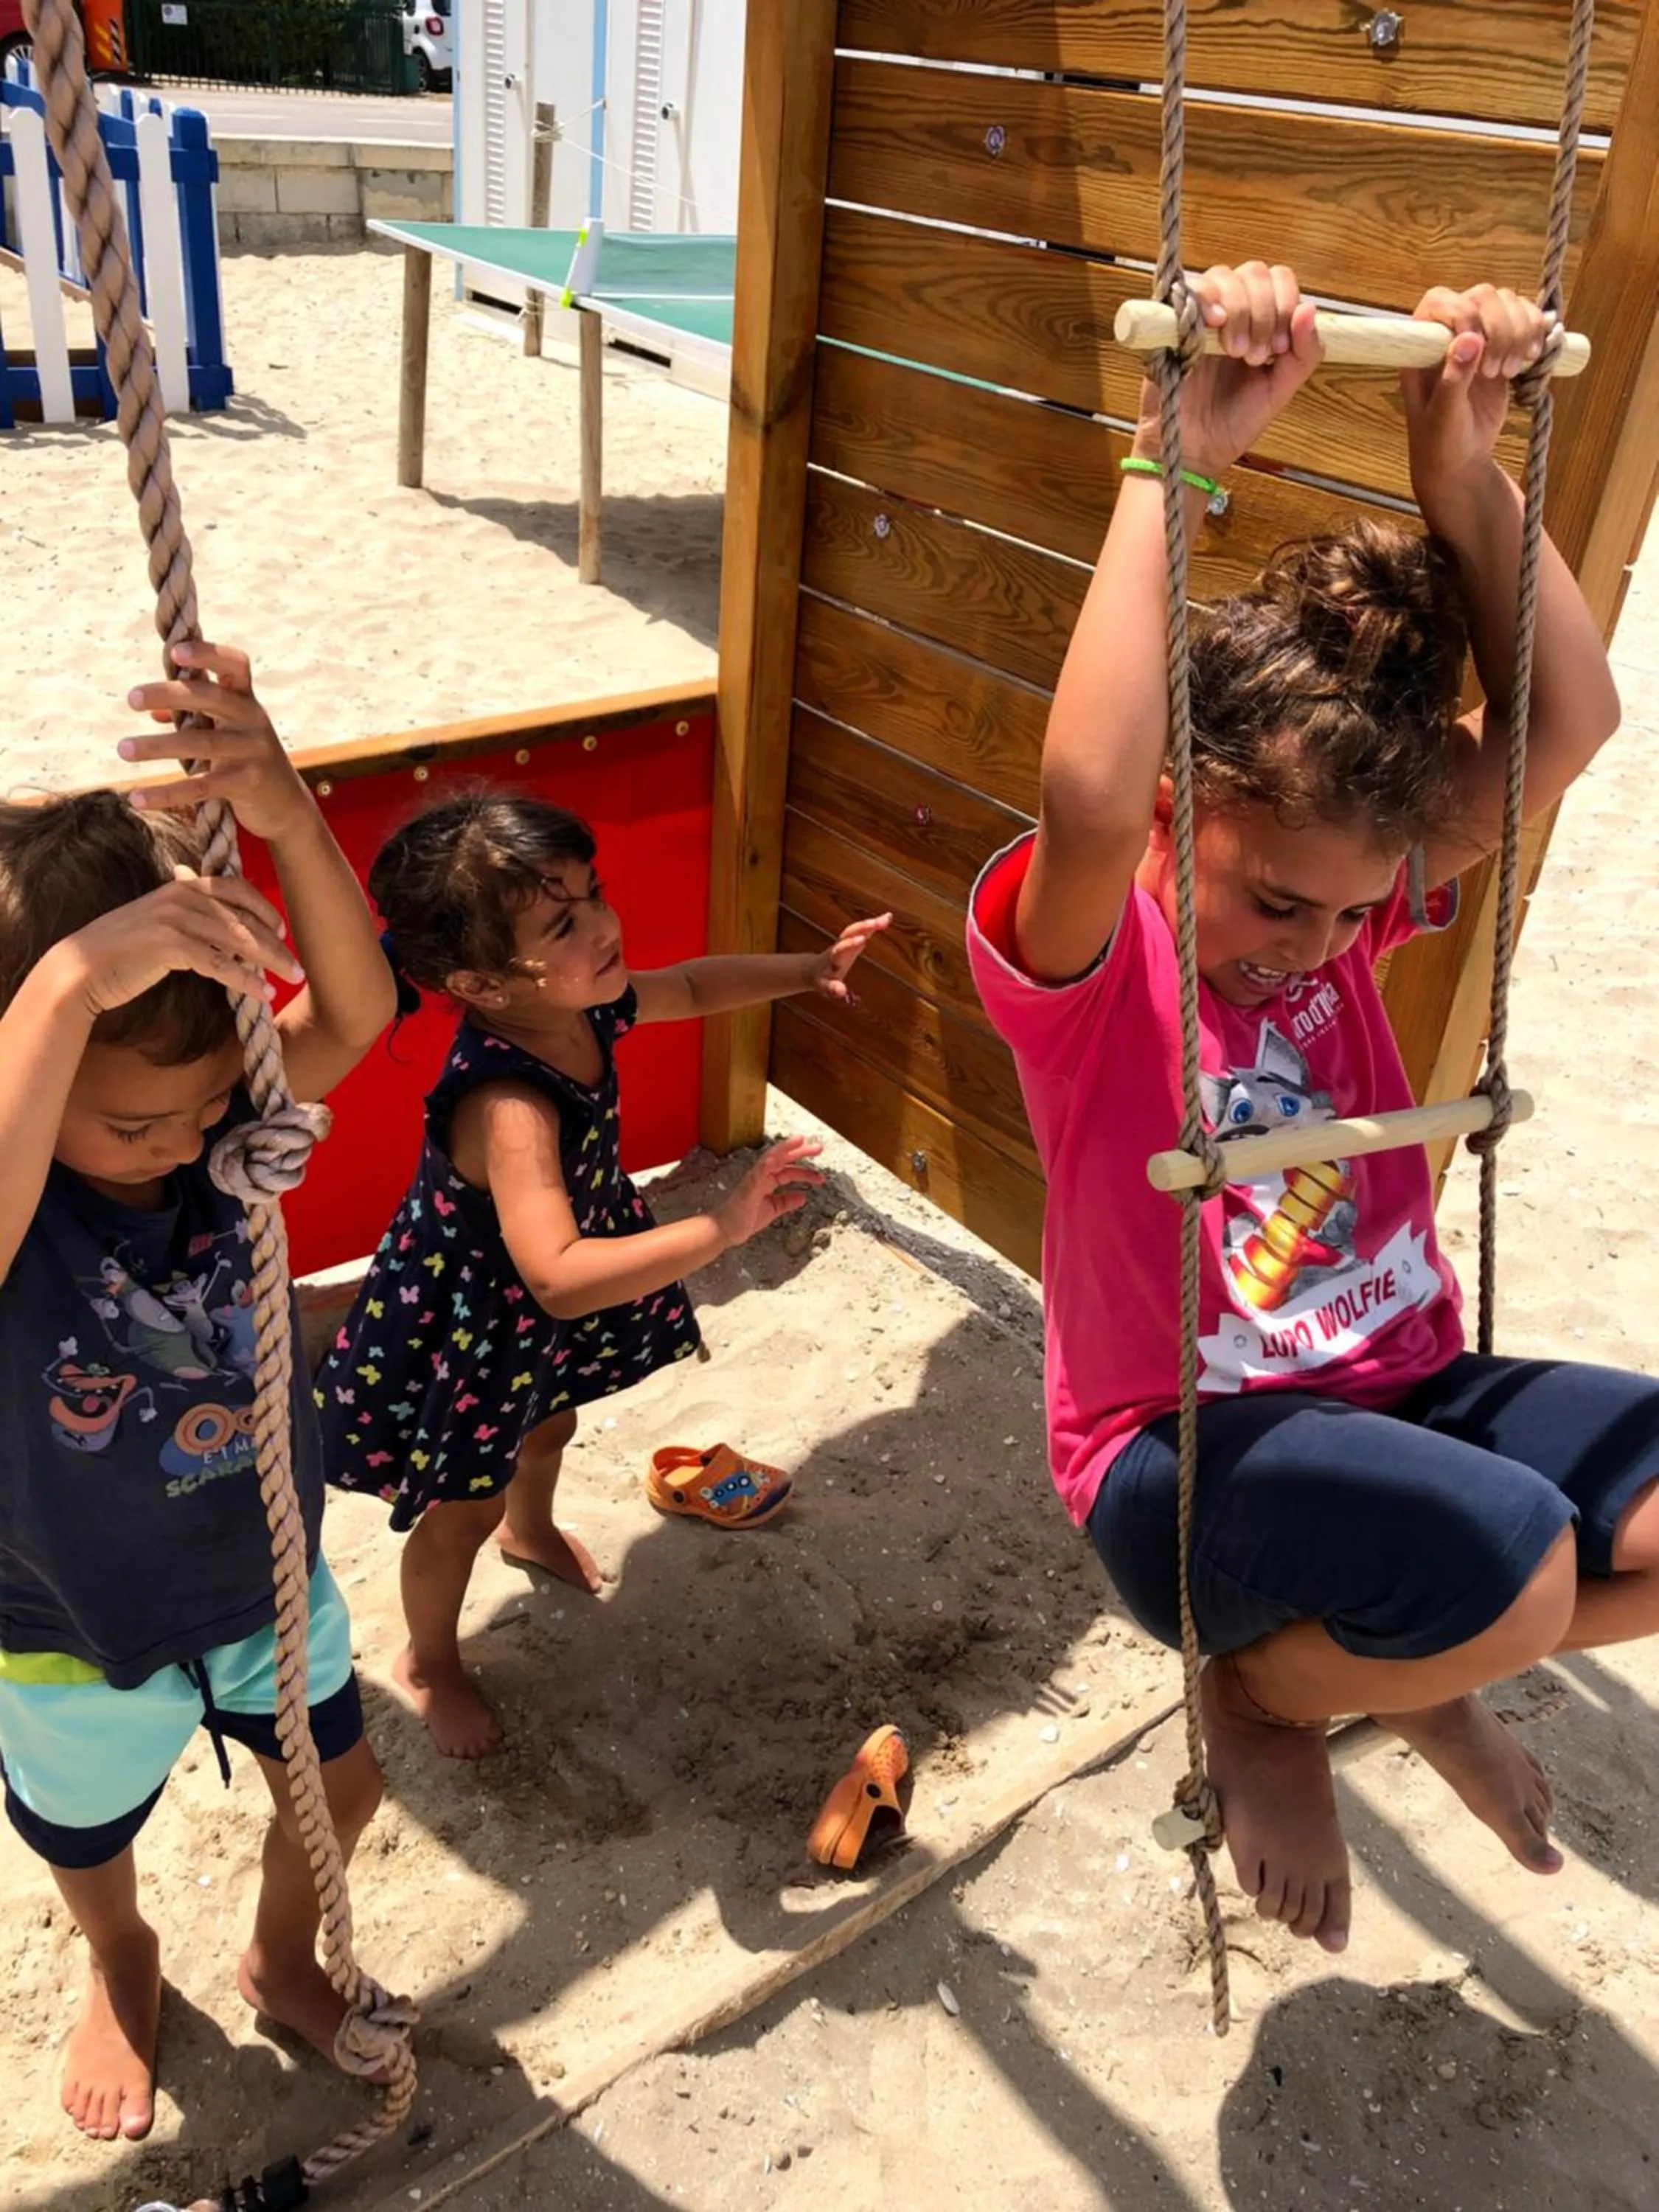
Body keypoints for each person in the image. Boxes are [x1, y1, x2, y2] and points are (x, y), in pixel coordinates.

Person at [967, 262, 1646, 1955]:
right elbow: (1085, 785)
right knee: (1517, 1564)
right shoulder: (1098, 963)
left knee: (1535, 1559)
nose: (1321, 951)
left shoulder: (1347, 907)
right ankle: (1270, 1701)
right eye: (1279, 903)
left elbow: (1574, 717)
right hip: (1180, 1464)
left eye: (1353, 914)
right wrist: (1171, 454)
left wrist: (1461, 471)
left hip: (1401, 1393)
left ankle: (1405, 1663)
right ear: (1191, 812)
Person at [0, 644, 397, 2140]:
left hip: (259, 1572)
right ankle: (123, 1956)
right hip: (65, 1616)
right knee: (86, 1828)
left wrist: (288, 817)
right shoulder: (25, 1203)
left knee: (340, 1793)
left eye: (205, 1103)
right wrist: (60, 986)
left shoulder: (213, 1135)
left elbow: (353, 1022)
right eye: (130, 1119)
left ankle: (280, 1953)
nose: (180, 1140)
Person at [321, 790, 888, 1759]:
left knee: (554, 1418)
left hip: (540, 1302)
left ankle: (530, 1531)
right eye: (563, 921)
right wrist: (721, 1223)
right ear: (484, 983)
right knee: (463, 1505)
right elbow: (554, 1272)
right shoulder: (507, 1098)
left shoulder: (584, 1004)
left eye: (595, 895)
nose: (605, 926)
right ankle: (429, 1660)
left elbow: (696, 988)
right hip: (475, 1316)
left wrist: (807, 969)